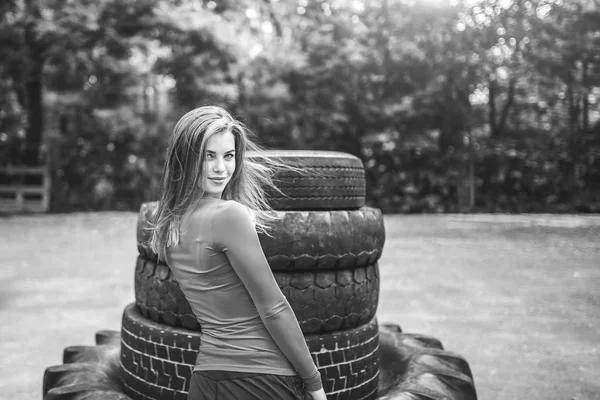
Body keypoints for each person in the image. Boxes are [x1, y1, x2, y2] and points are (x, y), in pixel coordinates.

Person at [149, 106, 327, 400]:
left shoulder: (167, 226)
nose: (221, 168)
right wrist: (314, 383)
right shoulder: (228, 216)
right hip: (262, 378)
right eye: (209, 156)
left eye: (228, 156)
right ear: (186, 159)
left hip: (207, 382)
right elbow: (273, 308)